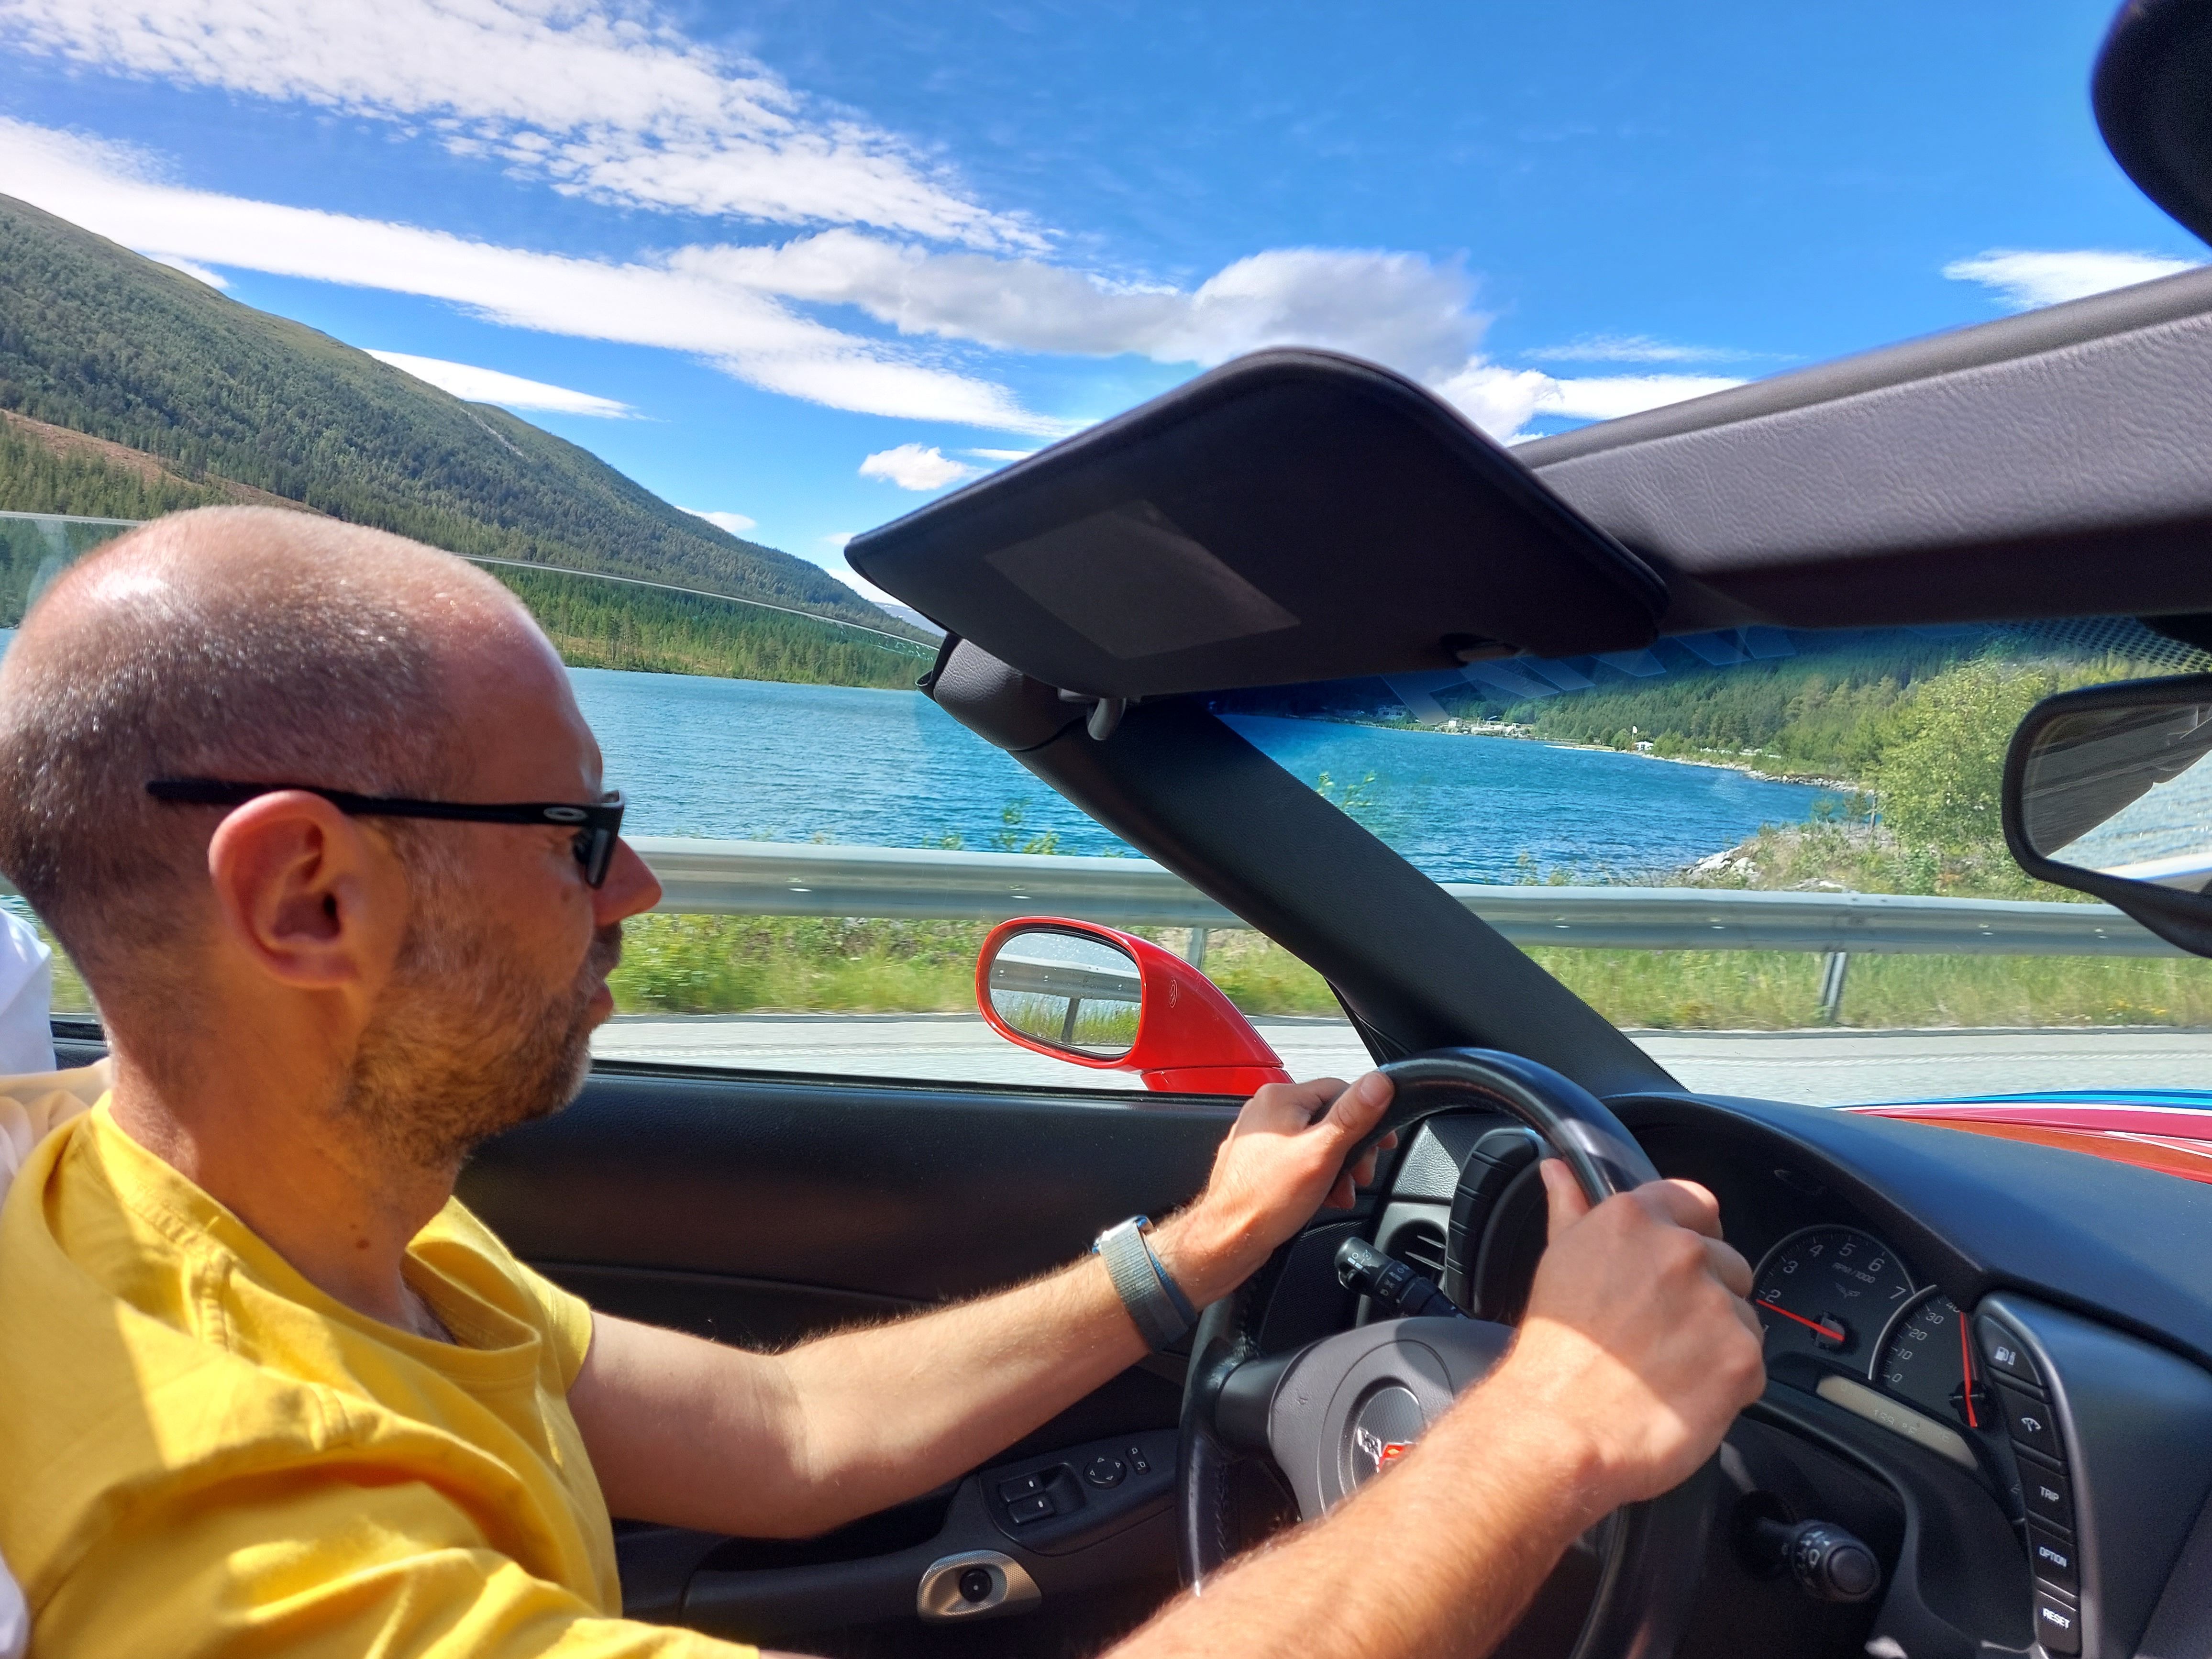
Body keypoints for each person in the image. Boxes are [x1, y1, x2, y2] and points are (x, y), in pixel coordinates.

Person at [0, 506, 1765, 1659]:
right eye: (577, 835)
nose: (637, 891)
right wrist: (1550, 1423)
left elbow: (787, 1437)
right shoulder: (250, 1565)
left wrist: (1195, 1254)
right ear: (308, 898)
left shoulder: (249, 1211)